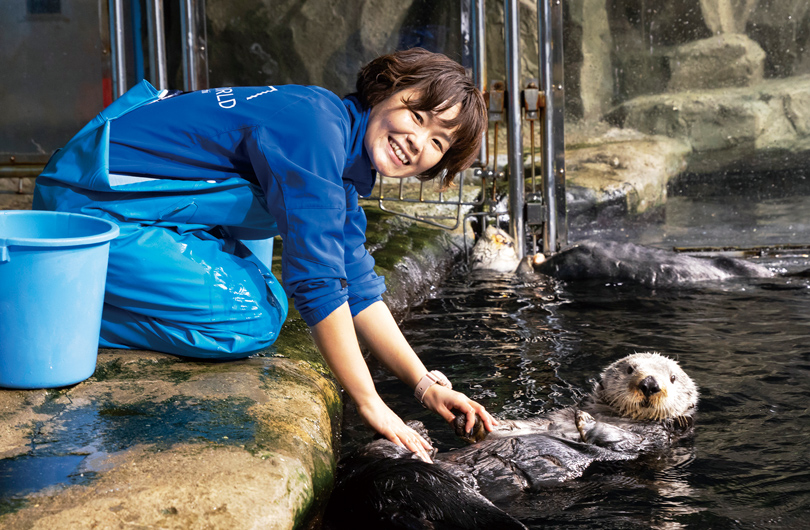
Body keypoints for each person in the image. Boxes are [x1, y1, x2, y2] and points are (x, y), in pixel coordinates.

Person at [33, 48, 496, 462]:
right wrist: (369, 401)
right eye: (418, 116)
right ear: (385, 89)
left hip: (136, 208)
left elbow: (356, 283)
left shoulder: (341, 155)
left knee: (265, 299)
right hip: (92, 209)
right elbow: (316, 282)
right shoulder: (315, 129)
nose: (419, 141)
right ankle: (49, 312)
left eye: (438, 141)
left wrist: (425, 386)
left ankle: (68, 295)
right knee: (250, 316)